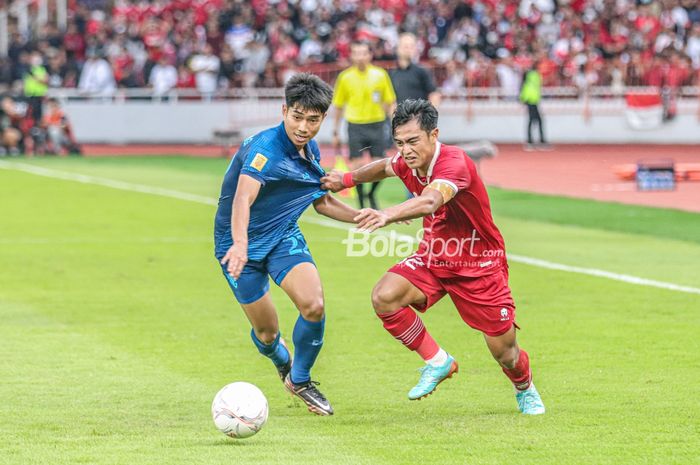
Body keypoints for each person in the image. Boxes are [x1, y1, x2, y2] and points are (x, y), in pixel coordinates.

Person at [321, 99, 545, 415]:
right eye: (400, 142)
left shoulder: (454, 164)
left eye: (413, 141)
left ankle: (525, 388)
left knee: (505, 353)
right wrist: (345, 179)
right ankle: (438, 361)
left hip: (478, 264)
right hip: (435, 256)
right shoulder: (407, 161)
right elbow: (384, 167)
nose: (406, 150)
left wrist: (388, 214)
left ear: (433, 134)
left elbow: (430, 202)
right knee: (385, 297)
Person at [214, 73, 358, 416]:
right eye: (297, 117)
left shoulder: (310, 148)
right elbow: (242, 200)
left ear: (323, 118)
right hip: (240, 248)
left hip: (281, 235)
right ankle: (282, 361)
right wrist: (239, 244)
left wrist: (365, 217)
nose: (304, 127)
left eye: (312, 120)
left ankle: (301, 379)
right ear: (284, 110)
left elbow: (320, 201)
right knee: (267, 334)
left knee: (314, 305)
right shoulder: (265, 150)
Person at [332, 40, 396, 210]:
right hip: (355, 125)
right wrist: (335, 131)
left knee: (381, 165)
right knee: (357, 166)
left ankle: (371, 193)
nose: (360, 57)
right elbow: (338, 105)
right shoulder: (345, 77)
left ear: (370, 55)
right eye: (356, 53)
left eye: (363, 53)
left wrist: (396, 124)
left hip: (377, 123)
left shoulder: (380, 75)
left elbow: (390, 102)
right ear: (351, 55)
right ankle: (361, 200)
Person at [389, 33, 441, 107]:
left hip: (418, 116)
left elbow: (434, 94)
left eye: (412, 46)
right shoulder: (392, 73)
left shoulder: (422, 71)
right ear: (398, 48)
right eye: (406, 46)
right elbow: (389, 100)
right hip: (399, 116)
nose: (409, 49)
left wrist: (428, 114)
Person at [519, 61, 549, 151]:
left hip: (530, 100)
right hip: (532, 100)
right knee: (536, 121)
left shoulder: (529, 74)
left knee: (533, 121)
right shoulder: (534, 75)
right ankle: (535, 141)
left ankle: (532, 141)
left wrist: (523, 99)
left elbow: (524, 87)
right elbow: (537, 85)